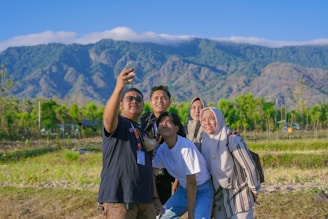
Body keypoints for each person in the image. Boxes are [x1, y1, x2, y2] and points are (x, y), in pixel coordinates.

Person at [97, 67, 160, 219]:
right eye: (129, 98)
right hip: (119, 199)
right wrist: (120, 87)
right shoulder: (119, 125)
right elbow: (108, 119)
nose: (134, 101)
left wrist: (155, 198)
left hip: (145, 201)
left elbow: (149, 167)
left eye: (138, 99)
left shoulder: (143, 133)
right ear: (120, 104)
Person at [199, 107, 261, 219]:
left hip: (240, 196)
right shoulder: (203, 144)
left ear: (219, 119)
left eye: (211, 118)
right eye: (203, 120)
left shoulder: (232, 140)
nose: (207, 122)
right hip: (219, 200)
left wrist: (254, 190)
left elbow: (250, 167)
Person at [153, 112, 213, 219]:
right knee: (160, 217)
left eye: (168, 122)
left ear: (176, 128)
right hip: (183, 190)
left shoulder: (185, 147)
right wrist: (156, 199)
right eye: (161, 122)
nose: (163, 124)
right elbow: (150, 173)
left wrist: (190, 213)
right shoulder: (162, 150)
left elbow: (192, 182)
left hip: (202, 189)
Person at [140, 85, 177, 204]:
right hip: (143, 173)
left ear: (169, 102)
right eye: (156, 98)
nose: (160, 101)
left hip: (165, 176)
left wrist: (176, 181)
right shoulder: (142, 121)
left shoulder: (175, 122)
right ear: (150, 102)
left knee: (162, 210)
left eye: (163, 98)